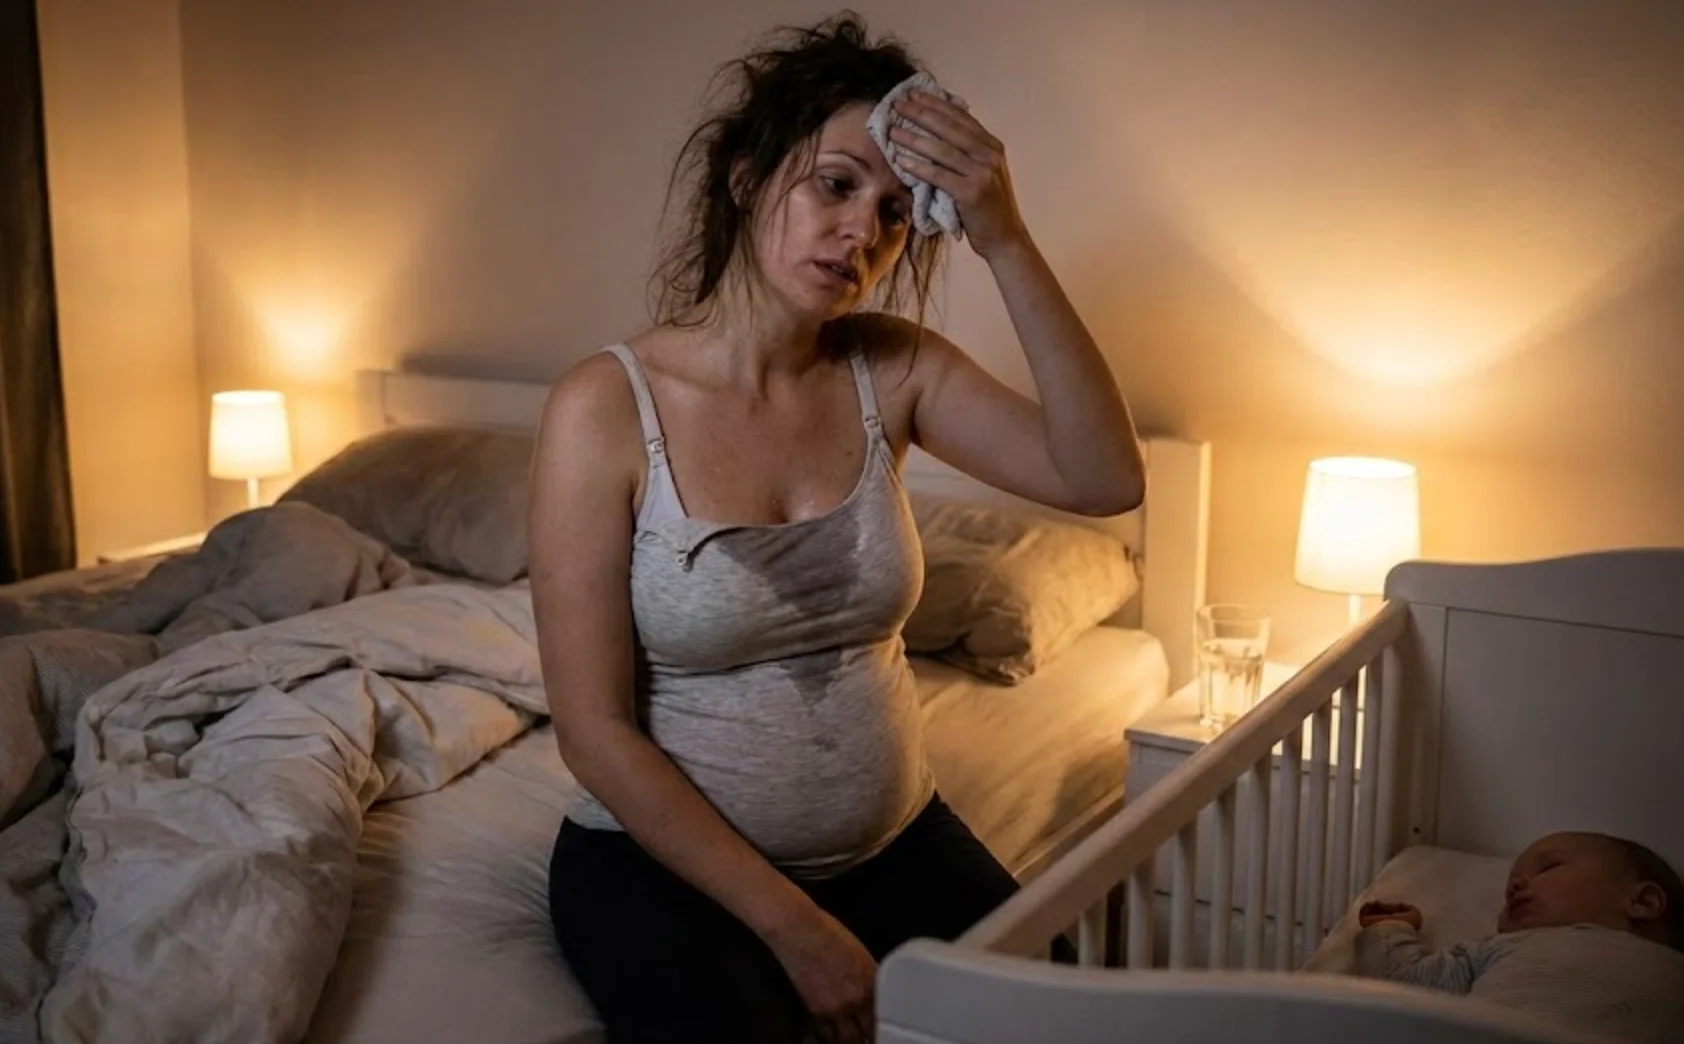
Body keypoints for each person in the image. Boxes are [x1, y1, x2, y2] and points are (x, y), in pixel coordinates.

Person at [527, 13, 1143, 1043]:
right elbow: (594, 732)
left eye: (897, 212)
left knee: (1068, 1024)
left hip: (898, 847)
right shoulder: (603, 409)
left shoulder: (891, 370)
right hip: (663, 874)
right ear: (744, 178)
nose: (864, 230)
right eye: (835, 185)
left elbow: (1103, 477)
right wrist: (798, 930)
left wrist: (1004, 237)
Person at [1354, 831, 1684, 1044]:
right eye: (1510, 887)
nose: (1514, 887)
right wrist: (1391, 927)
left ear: (1643, 902)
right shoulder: (1500, 948)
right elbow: (1406, 979)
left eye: (1548, 868)